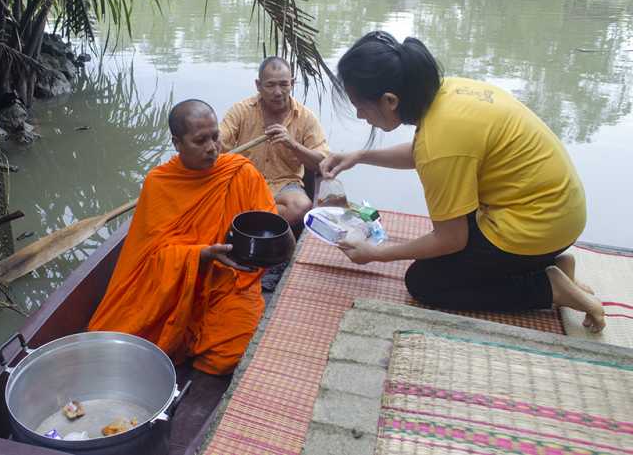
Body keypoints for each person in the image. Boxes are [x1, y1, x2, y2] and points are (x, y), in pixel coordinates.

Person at [320, 31, 605, 332]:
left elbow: (451, 238)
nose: (359, 115)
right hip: (561, 213)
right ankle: (553, 265)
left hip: (537, 225)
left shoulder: (439, 140)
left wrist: (376, 254)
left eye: (361, 106)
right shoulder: (449, 94)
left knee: (425, 281)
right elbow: (426, 154)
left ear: (390, 100)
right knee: (452, 231)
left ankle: (549, 288)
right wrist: (360, 155)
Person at [87, 99, 277, 375]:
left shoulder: (239, 172)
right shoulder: (159, 182)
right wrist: (200, 254)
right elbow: (149, 258)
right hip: (172, 287)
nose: (213, 148)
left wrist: (258, 251)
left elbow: (265, 228)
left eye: (215, 137)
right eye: (200, 141)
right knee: (111, 340)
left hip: (226, 281)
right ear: (177, 143)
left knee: (226, 359)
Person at [220, 56, 329, 227]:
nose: (278, 92)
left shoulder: (306, 117)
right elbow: (219, 145)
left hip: (284, 185)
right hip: (244, 182)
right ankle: (257, 221)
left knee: (301, 207)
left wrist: (292, 144)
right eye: (270, 85)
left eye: (284, 84)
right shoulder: (240, 111)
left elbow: (323, 163)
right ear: (258, 85)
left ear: (292, 83)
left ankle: (244, 221)